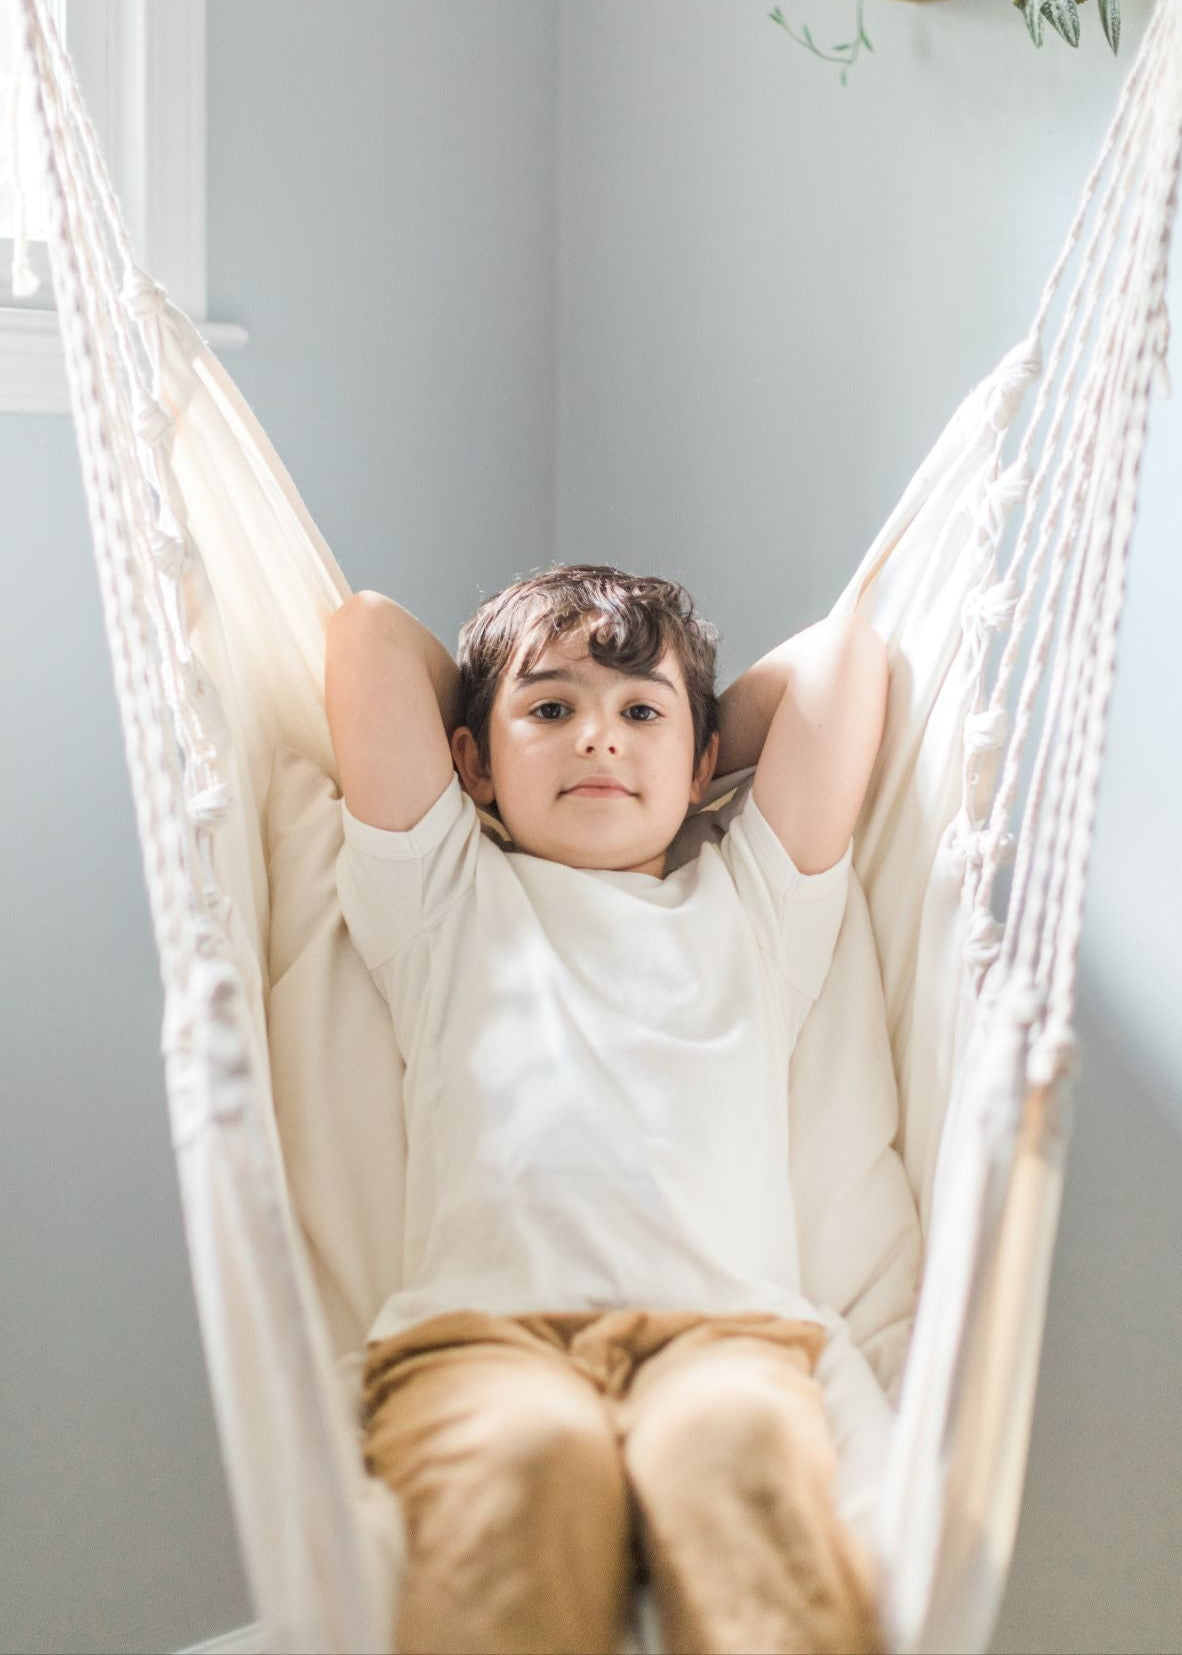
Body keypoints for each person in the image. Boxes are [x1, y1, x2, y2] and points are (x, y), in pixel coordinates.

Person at [325, 563, 890, 1655]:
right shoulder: (443, 897)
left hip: (724, 1336)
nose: (597, 737)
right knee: (522, 1462)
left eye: (639, 713)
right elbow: (367, 637)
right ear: (470, 762)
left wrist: (685, 725)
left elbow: (845, 659)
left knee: (735, 1460)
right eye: (551, 712)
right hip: (483, 1336)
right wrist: (570, 700)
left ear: (706, 762)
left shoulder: (756, 906)